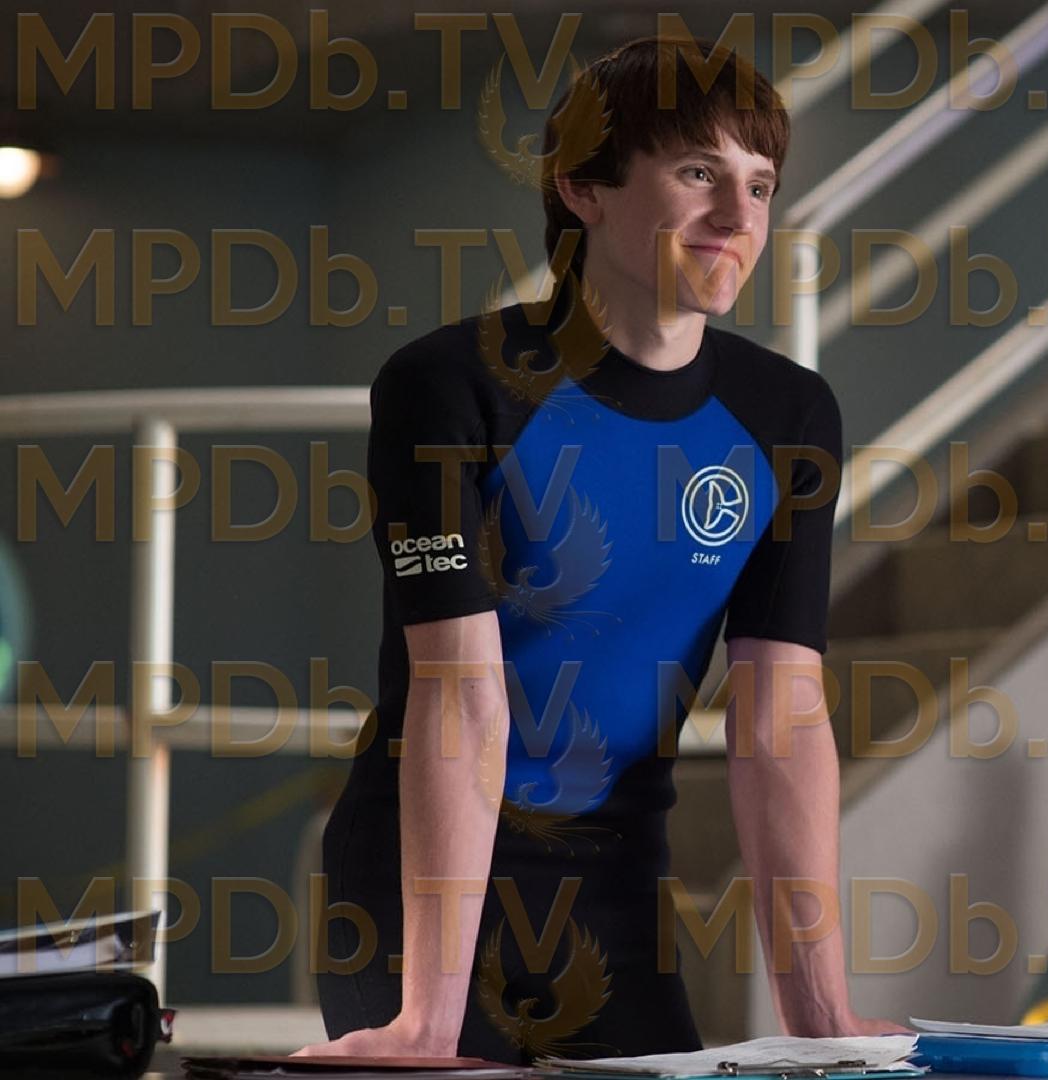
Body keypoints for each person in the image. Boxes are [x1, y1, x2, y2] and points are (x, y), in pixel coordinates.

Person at [298, 38, 895, 1062]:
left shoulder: (788, 416)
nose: (738, 217)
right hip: (418, 889)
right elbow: (461, 696)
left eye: (760, 185)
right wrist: (426, 1022)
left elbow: (780, 718)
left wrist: (823, 1017)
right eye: (698, 173)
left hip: (616, 891)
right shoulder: (453, 386)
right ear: (583, 186)